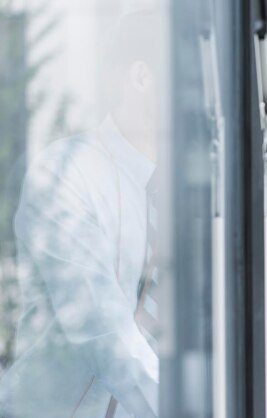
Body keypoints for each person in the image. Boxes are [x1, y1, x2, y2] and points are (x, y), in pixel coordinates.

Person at [0, 12, 161, 418]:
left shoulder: (189, 193)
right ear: (141, 78)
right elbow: (104, 334)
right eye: (193, 80)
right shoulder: (67, 173)